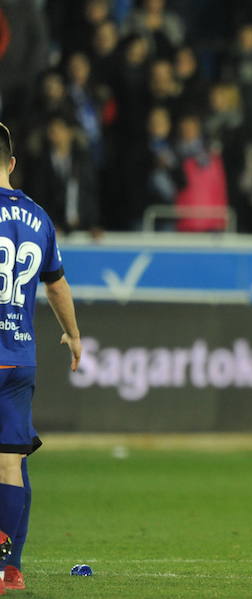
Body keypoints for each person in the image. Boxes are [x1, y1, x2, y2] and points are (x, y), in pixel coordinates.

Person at [0, 122, 82, 592]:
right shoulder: (38, 216)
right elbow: (56, 283)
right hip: (18, 358)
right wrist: (72, 334)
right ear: (12, 163)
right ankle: (9, 566)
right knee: (10, 463)